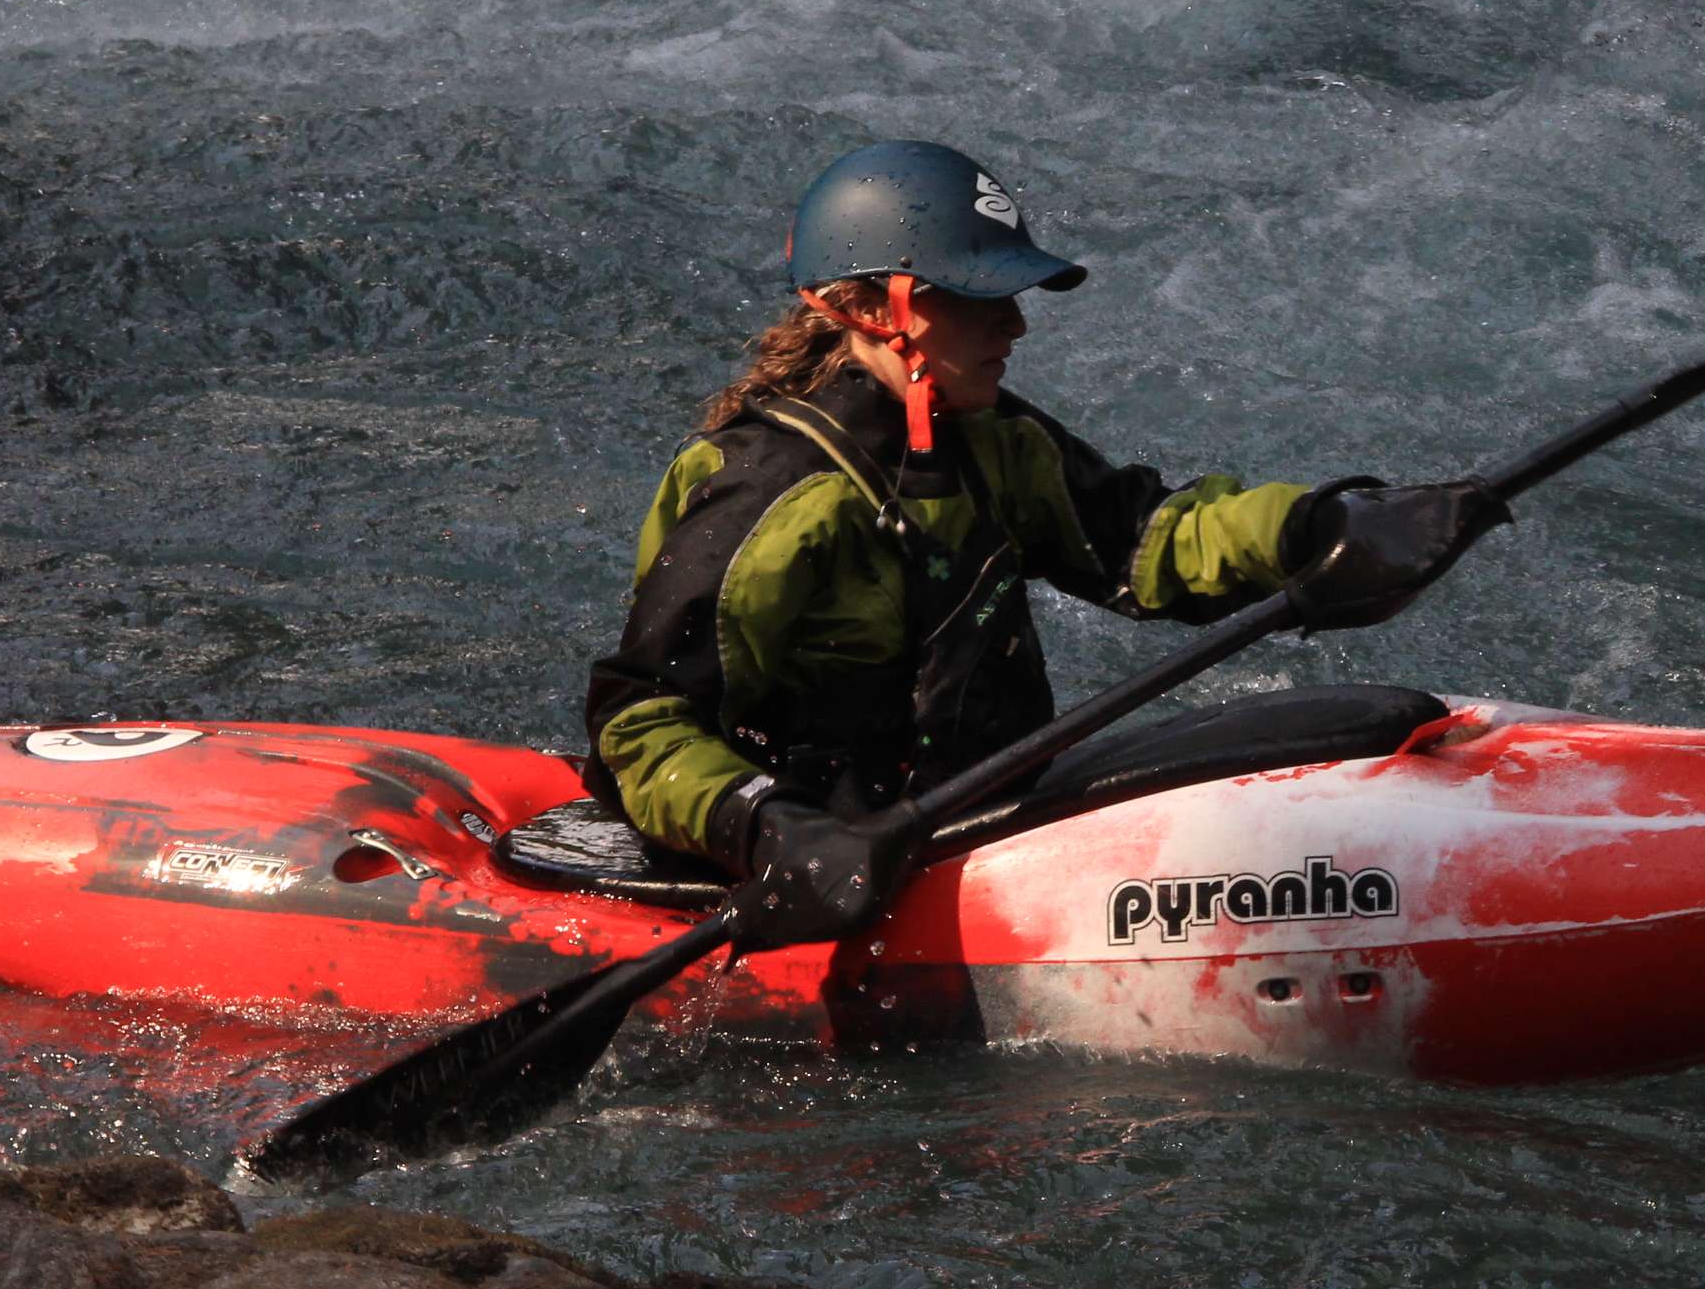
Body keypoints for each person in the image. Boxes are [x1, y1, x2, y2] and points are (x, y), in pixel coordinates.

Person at [584, 141, 1506, 942]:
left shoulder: (992, 441)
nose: (1016, 325)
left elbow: (1148, 542)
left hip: (977, 821)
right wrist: (765, 824)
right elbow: (639, 721)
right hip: (822, 854)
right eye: (981, 299)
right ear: (873, 308)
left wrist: (1317, 525)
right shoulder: (774, 491)